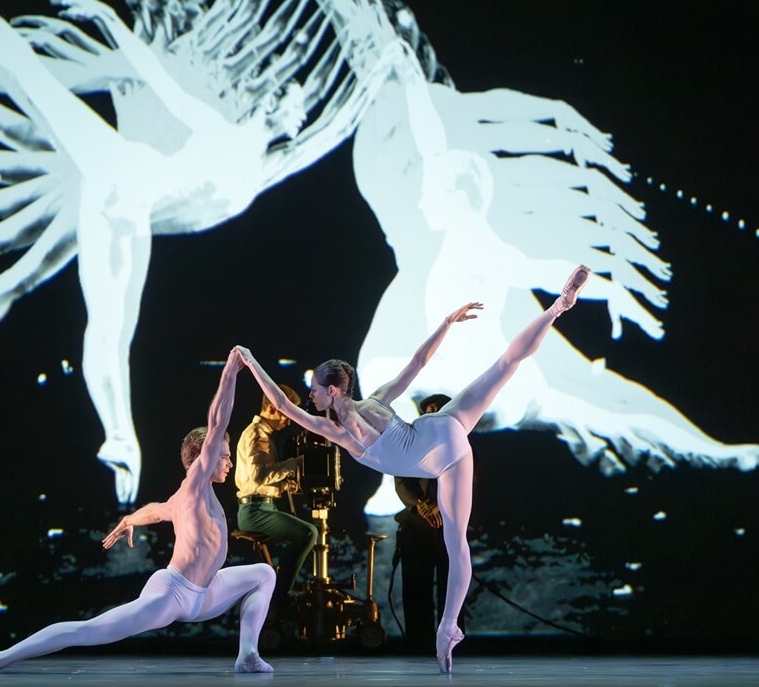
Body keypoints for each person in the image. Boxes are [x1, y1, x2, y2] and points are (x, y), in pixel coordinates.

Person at [235, 264, 590, 673]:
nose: (311, 394)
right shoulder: (377, 399)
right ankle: (559, 307)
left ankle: (447, 627)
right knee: (505, 365)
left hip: (445, 456)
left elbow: (282, 405)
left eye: (315, 388)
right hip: (445, 425)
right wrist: (445, 322)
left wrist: (250, 360)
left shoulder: (343, 431)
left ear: (332, 391)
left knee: (458, 548)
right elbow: (419, 361)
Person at [0, 348, 275, 674]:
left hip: (205, 594)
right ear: (199, 460)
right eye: (223, 455)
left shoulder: (190, 497)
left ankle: (247, 655)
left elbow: (158, 510)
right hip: (174, 594)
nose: (229, 461)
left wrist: (129, 519)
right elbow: (217, 422)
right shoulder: (194, 484)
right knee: (88, 631)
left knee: (263, 574)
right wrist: (231, 372)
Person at [234, 385, 318, 614]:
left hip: (262, 506)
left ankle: (276, 593)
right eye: (285, 414)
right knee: (309, 533)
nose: (288, 422)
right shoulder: (256, 435)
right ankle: (278, 599)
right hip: (255, 512)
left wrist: (282, 485)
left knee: (306, 532)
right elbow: (259, 476)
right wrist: (296, 463)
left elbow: (261, 479)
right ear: (271, 408)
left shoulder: (262, 435)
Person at [393, 392, 461, 653]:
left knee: (450, 589)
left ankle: (451, 642)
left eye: (437, 408)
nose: (431, 412)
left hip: (449, 525)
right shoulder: (410, 443)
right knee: (416, 587)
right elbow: (402, 480)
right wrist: (421, 505)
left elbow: (468, 483)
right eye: (427, 409)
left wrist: (442, 507)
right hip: (416, 526)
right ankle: (418, 643)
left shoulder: (459, 443)